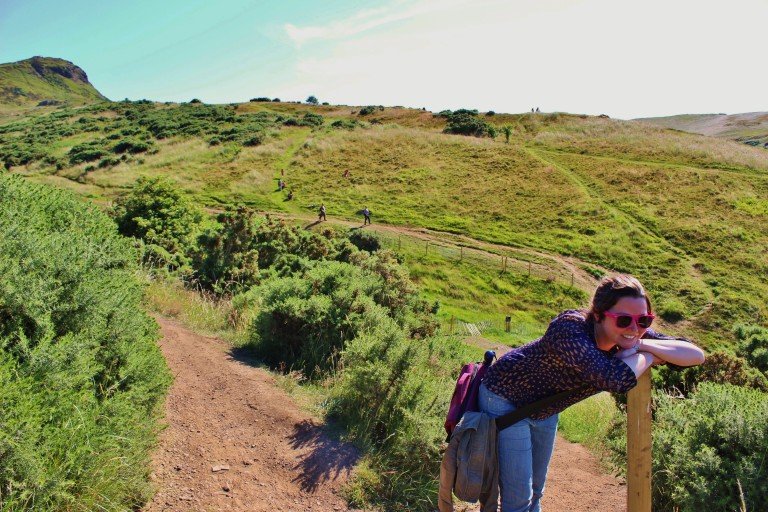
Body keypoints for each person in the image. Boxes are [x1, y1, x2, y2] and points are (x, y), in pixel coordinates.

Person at [479, 274, 704, 512]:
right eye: (624, 319)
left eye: (645, 320)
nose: (635, 328)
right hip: (505, 398)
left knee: (535, 492)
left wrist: (641, 347)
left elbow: (694, 355)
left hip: (544, 408)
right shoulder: (569, 329)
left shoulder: (630, 334)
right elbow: (615, 378)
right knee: (518, 499)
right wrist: (649, 354)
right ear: (598, 314)